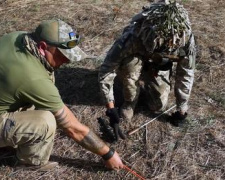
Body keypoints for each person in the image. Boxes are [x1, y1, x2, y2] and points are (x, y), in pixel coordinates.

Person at [0, 19, 124, 171]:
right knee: (45, 122)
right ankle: (29, 162)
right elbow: (72, 128)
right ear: (42, 47)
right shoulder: (33, 79)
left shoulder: (18, 37)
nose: (67, 61)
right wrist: (108, 153)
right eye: (62, 55)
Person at [99, 0, 196, 140]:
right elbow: (107, 70)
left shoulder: (185, 40)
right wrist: (111, 108)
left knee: (158, 106)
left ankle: (148, 76)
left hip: (156, 66)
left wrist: (182, 107)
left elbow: (186, 73)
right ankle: (130, 101)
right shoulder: (132, 36)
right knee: (130, 65)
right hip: (135, 60)